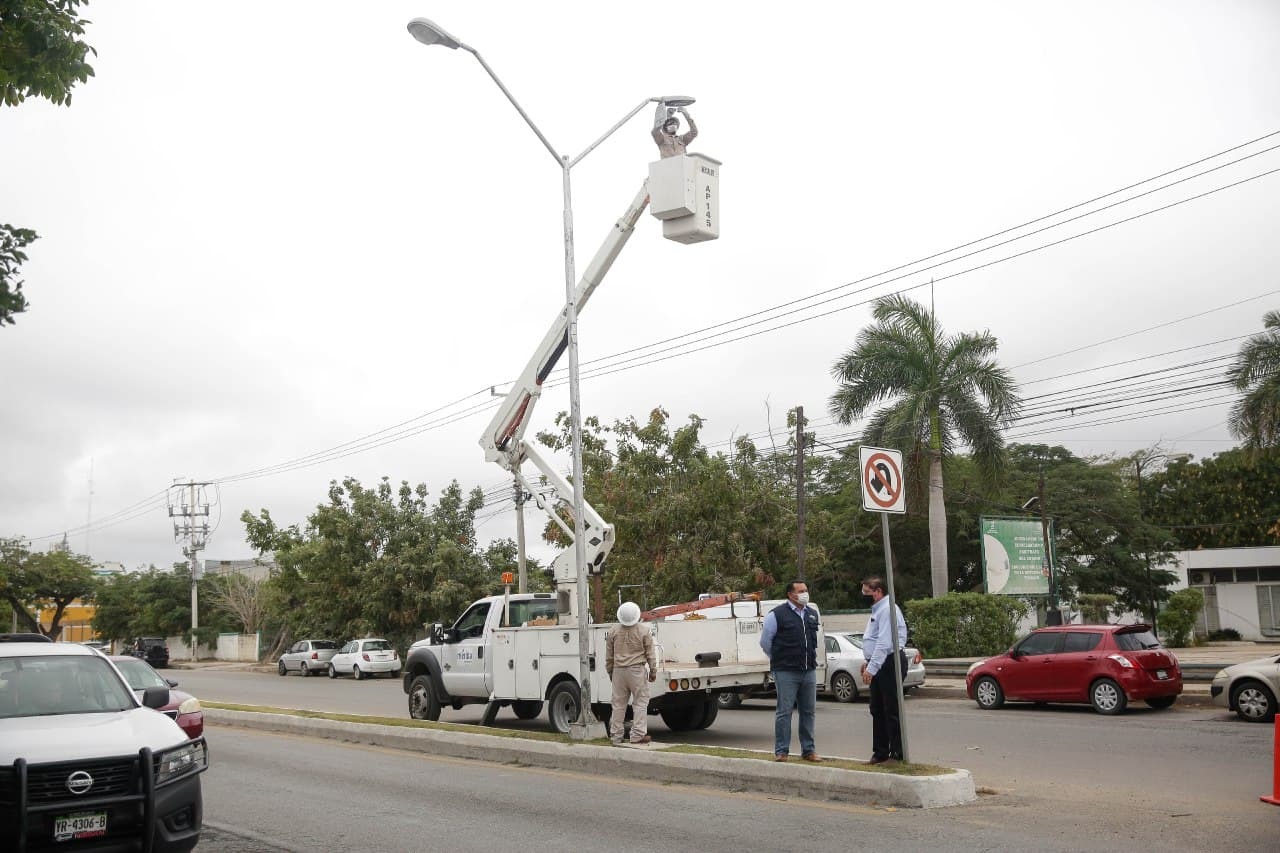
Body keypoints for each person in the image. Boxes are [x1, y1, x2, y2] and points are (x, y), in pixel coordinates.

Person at [759, 580, 823, 762]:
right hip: (785, 671)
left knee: (808, 711)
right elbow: (765, 642)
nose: (805, 593)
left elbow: (813, 641)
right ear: (790, 594)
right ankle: (781, 751)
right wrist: (779, 658)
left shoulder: (811, 614)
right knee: (784, 711)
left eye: (806, 589)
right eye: (801, 591)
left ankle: (809, 750)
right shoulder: (777, 615)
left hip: (808, 670)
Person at [859, 576, 908, 764]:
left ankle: (897, 754)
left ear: (878, 592)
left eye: (866, 592)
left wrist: (871, 668)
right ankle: (880, 753)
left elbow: (884, 643)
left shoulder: (887, 610)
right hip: (880, 663)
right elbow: (873, 640)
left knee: (890, 709)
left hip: (889, 662)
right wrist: (868, 661)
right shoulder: (878, 610)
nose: (864, 596)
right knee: (877, 709)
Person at [605, 601, 657, 746]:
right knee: (640, 702)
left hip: (618, 671)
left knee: (618, 704)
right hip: (636, 670)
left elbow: (609, 656)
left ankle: (616, 736)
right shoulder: (644, 630)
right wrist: (653, 671)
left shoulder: (613, 631)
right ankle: (637, 735)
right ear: (637, 615)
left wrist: (610, 672)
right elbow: (650, 654)